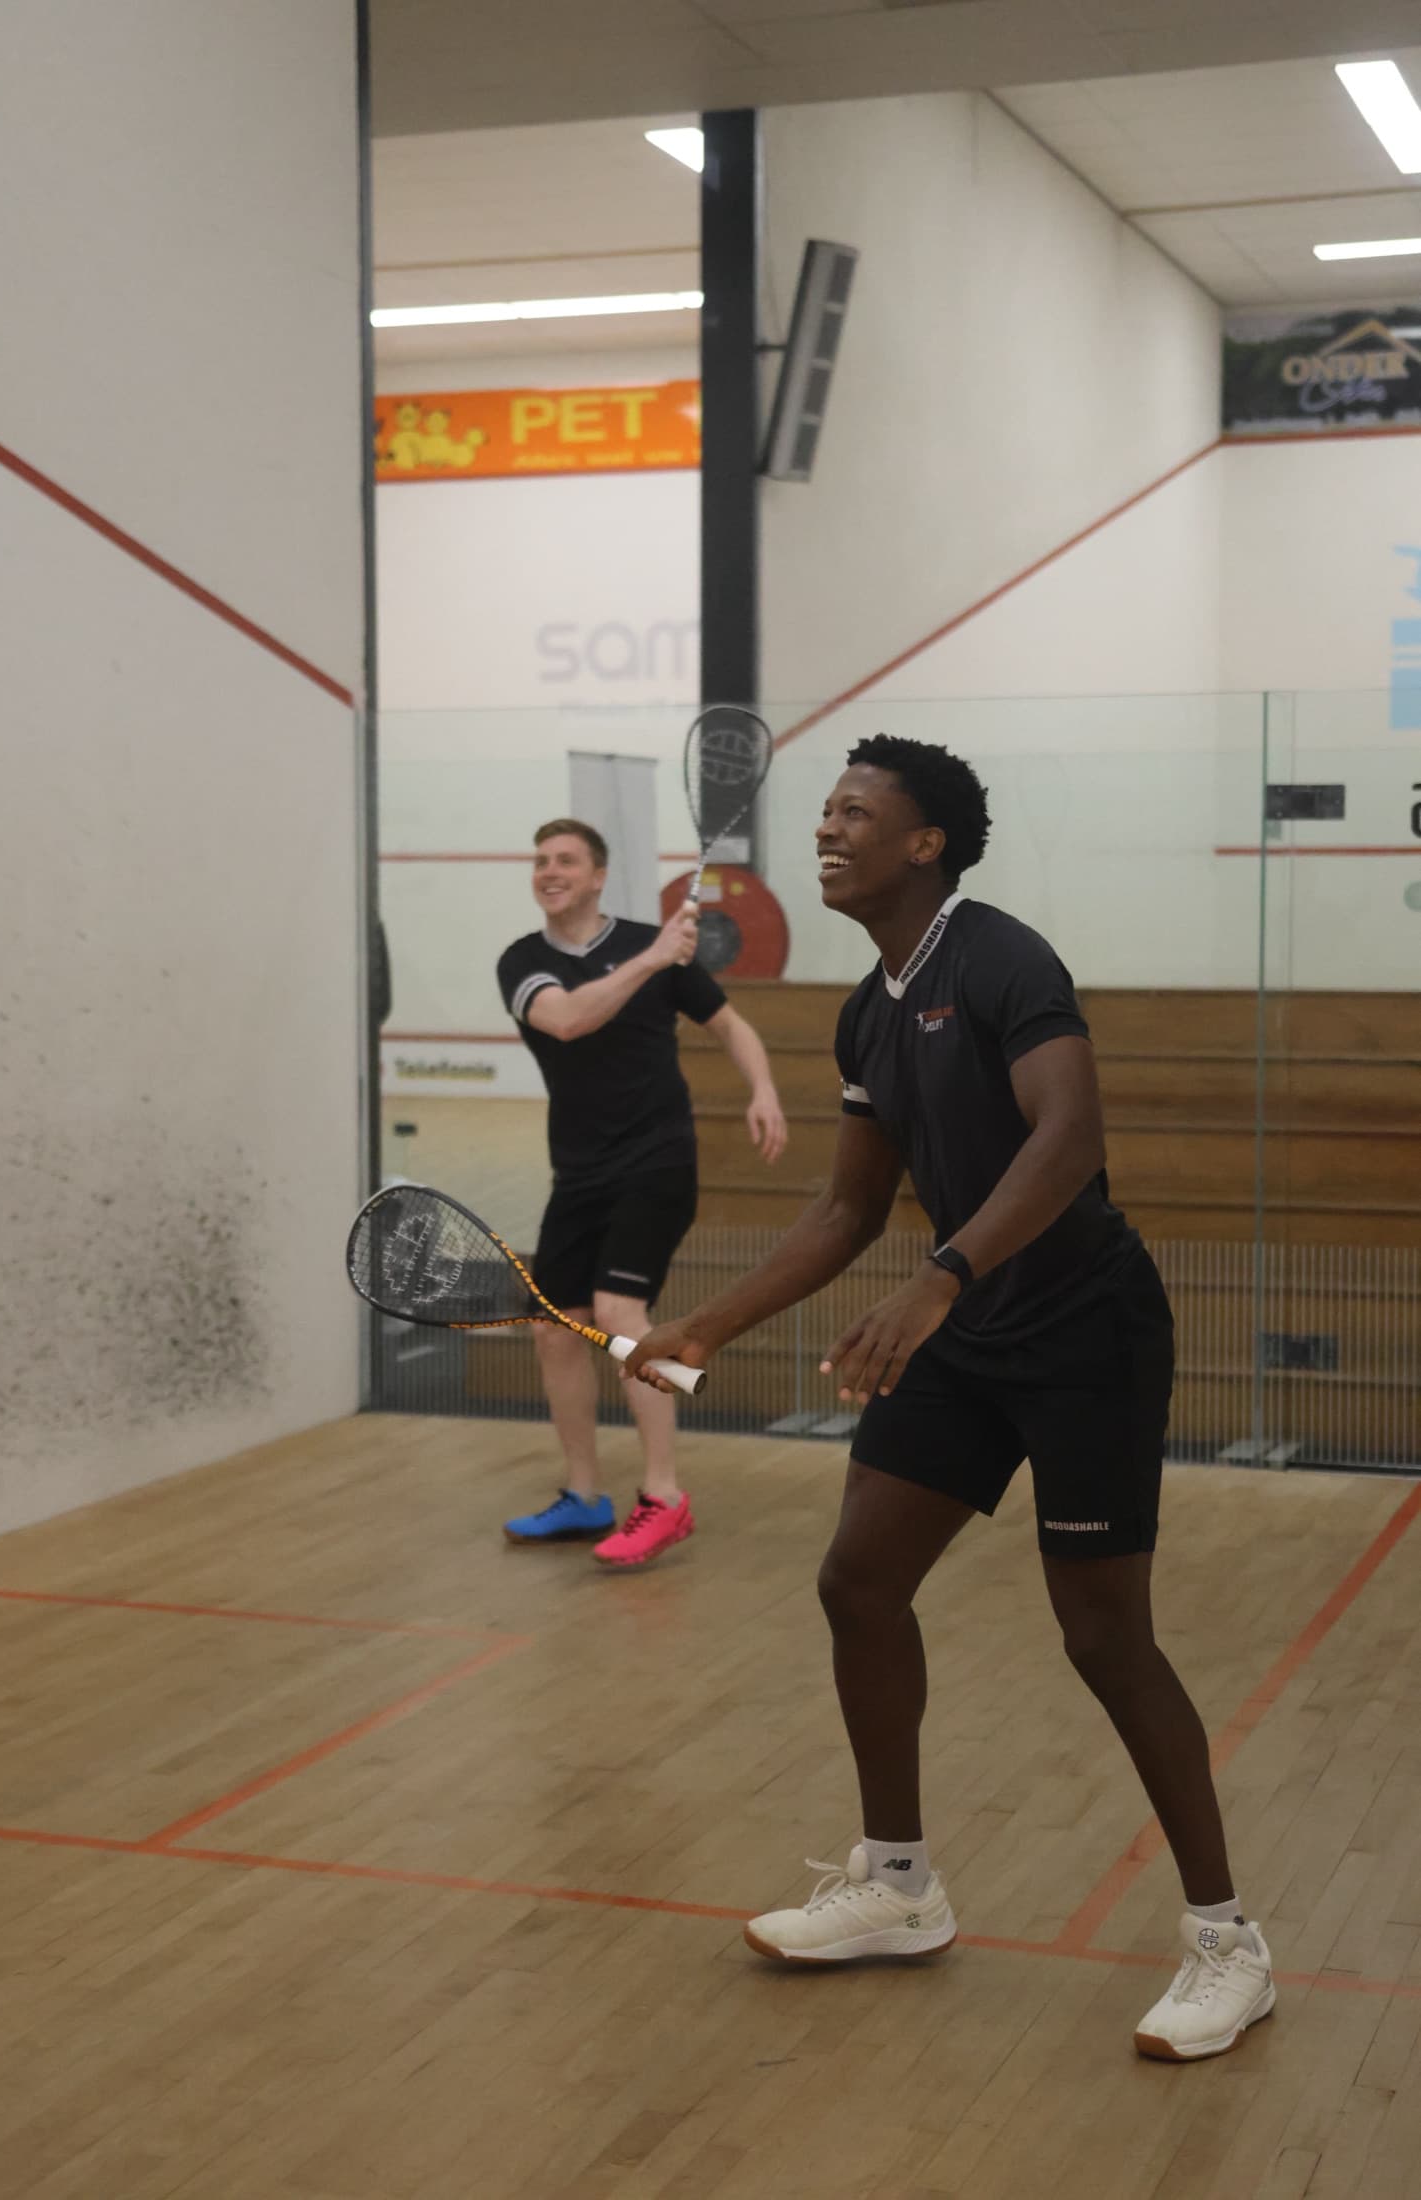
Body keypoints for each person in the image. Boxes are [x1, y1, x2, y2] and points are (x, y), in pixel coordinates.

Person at [625, 735, 1274, 2061]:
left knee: (1103, 1639)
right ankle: (899, 1886)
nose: (828, 828)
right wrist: (703, 1324)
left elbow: (1067, 1138)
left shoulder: (1000, 960)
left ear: (924, 843)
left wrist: (939, 1281)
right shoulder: (868, 1010)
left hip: (1084, 1330)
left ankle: (1226, 1944)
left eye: (857, 812)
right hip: (969, 1332)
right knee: (857, 1583)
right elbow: (848, 1204)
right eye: (826, 809)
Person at [496, 817, 788, 1569]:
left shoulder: (652, 948)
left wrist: (763, 1089)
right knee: (555, 1328)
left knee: (623, 1315)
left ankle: (665, 1496)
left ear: (597, 876)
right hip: (579, 1173)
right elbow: (565, 1020)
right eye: (541, 861)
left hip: (657, 1162)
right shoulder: (523, 962)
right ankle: (585, 1495)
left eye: (566, 860)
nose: (549, 870)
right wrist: (654, 957)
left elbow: (732, 1026)